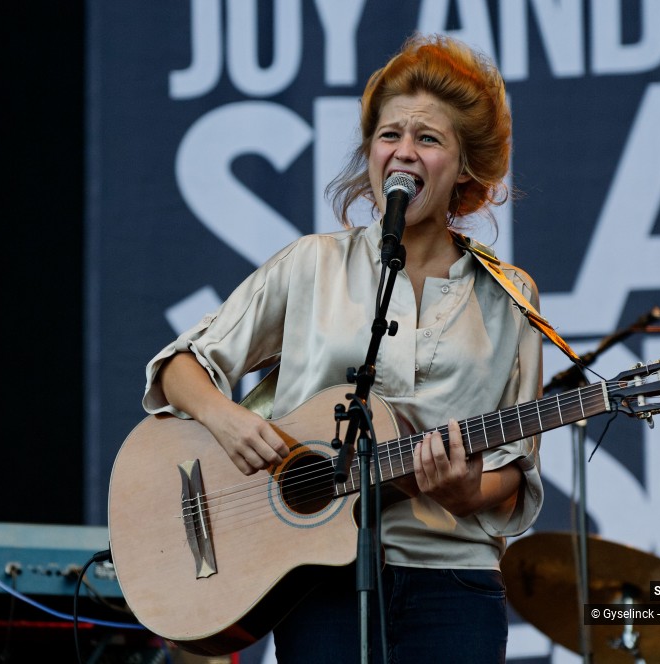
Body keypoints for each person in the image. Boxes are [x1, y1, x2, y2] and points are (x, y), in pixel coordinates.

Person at [140, 33, 544, 663]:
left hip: (454, 583)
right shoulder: (313, 264)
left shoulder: (510, 296)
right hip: (320, 582)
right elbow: (179, 367)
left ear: (466, 166)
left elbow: (517, 473)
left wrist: (468, 491)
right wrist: (228, 421)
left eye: (427, 139)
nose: (403, 152)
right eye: (389, 135)